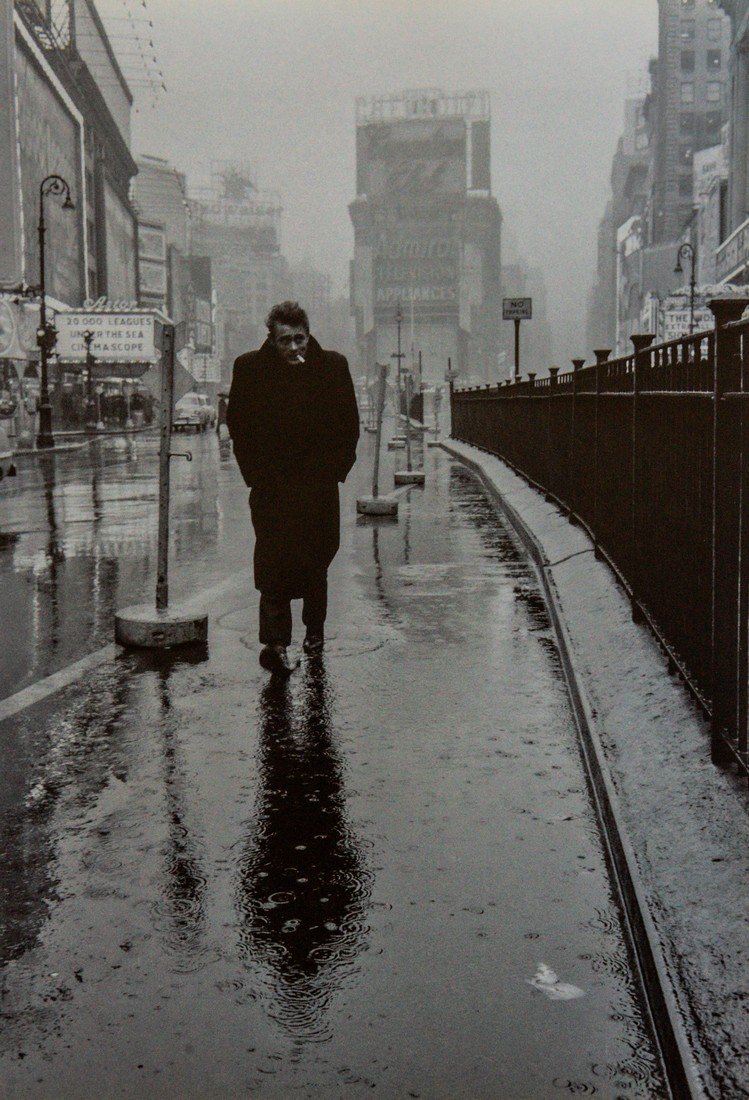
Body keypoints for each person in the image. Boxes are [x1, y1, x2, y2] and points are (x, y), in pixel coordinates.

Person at [227, 301, 360, 676]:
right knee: (273, 563)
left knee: (317, 561)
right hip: (272, 487)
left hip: (317, 487)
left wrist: (335, 470)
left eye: (299, 339)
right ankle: (276, 643)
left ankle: (314, 633)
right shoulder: (249, 369)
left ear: (308, 333)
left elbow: (349, 423)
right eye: (284, 341)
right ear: (272, 339)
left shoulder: (332, 367)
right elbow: (237, 423)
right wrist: (254, 474)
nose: (293, 348)